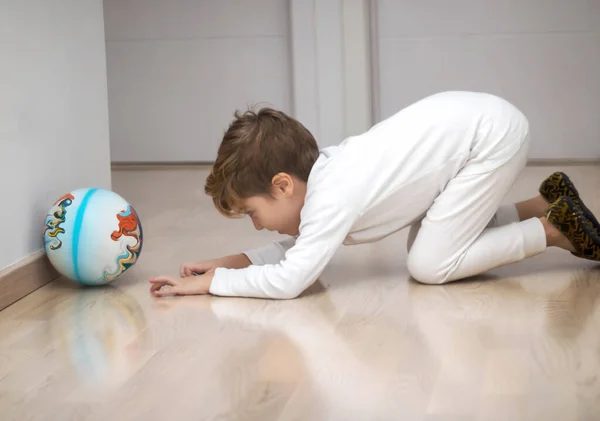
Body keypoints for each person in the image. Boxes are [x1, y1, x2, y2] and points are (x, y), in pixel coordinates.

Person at [149, 91, 600, 299]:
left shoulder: (330, 198)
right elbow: (297, 248)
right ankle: (544, 203)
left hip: (487, 138)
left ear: (283, 185)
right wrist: (227, 264)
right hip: (478, 127)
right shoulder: (322, 178)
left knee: (429, 263)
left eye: (252, 212)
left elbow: (291, 279)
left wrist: (211, 285)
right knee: (432, 238)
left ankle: (554, 228)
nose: (259, 223)